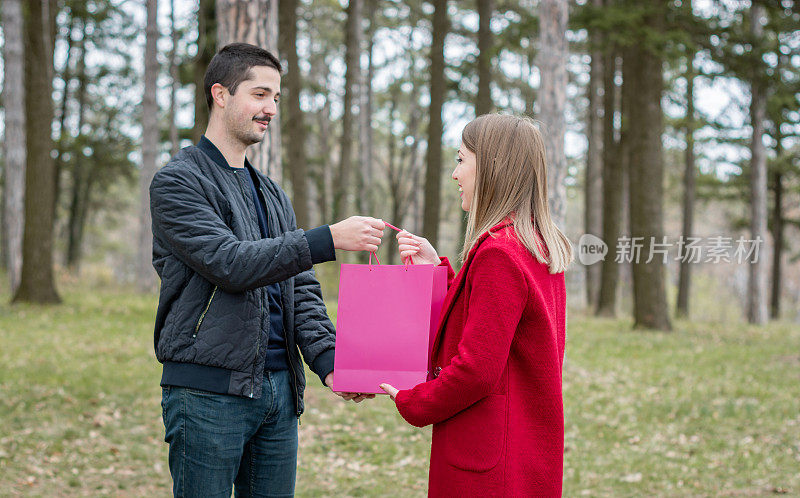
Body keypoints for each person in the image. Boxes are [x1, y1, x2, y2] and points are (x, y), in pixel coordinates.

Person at [149, 43, 379, 497]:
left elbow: (301, 290)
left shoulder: (272, 193)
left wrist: (330, 364)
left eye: (276, 97)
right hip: (208, 396)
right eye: (259, 94)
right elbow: (229, 263)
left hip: (279, 392)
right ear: (220, 94)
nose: (270, 108)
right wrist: (326, 238)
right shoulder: (177, 181)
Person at [380, 114, 573, 497]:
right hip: (523, 446)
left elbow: (477, 370)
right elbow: (493, 326)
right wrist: (437, 271)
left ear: (492, 168)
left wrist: (414, 400)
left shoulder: (500, 252)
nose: (455, 174)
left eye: (462, 159)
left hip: (489, 464)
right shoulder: (535, 244)